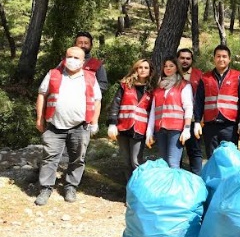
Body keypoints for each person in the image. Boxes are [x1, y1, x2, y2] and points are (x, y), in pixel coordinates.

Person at [34, 46, 102, 205]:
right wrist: (39, 119)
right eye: (69, 56)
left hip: (80, 126)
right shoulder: (54, 74)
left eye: (76, 58)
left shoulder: (90, 77)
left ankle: (71, 186)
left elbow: (97, 100)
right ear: (64, 57)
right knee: (49, 158)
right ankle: (46, 188)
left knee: (78, 158)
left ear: (83, 61)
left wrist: (95, 121)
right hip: (54, 125)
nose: (72, 60)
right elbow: (42, 94)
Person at [106, 59, 153, 181]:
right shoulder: (125, 86)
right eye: (140, 67)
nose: (143, 70)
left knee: (135, 162)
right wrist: (112, 123)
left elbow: (153, 111)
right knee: (126, 162)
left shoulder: (152, 89)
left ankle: (138, 189)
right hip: (123, 127)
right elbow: (115, 104)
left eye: (146, 68)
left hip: (139, 130)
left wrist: (151, 132)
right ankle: (128, 189)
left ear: (150, 71)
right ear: (135, 69)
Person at [193, 45, 240, 158]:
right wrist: (197, 121)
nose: (221, 59)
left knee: (230, 159)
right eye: (218, 56)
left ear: (229, 59)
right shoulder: (205, 78)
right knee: (213, 159)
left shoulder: (238, 76)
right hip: (210, 125)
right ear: (214, 58)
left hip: (230, 125)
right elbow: (199, 101)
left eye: (224, 56)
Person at [145, 57, 193, 168]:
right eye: (165, 66)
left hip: (176, 129)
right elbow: (153, 112)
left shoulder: (184, 85)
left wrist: (187, 128)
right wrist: (149, 132)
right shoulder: (158, 88)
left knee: (173, 163)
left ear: (177, 67)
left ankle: (175, 185)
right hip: (160, 129)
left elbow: (188, 107)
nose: (168, 68)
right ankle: (166, 185)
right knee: (163, 163)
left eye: (171, 66)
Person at [177, 48, 203, 174]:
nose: (185, 61)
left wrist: (200, 118)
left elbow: (203, 98)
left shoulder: (199, 75)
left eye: (188, 58)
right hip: (175, 120)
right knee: (177, 152)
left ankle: (197, 179)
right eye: (182, 58)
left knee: (195, 151)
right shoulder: (172, 73)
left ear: (192, 60)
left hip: (193, 119)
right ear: (177, 59)